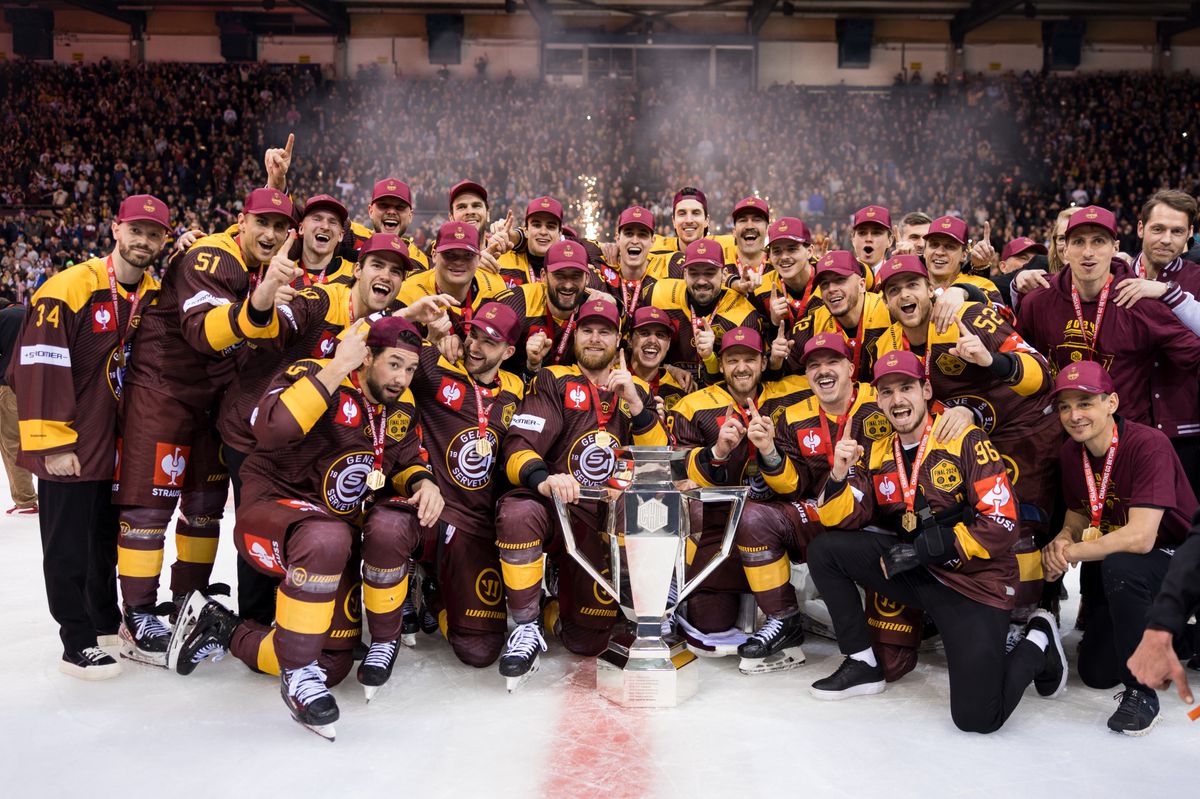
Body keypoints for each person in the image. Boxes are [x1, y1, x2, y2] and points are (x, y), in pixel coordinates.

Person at [170, 317, 441, 739]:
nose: (401, 379)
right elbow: (271, 428)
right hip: (271, 513)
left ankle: (223, 627)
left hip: (331, 535)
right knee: (326, 537)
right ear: (366, 356)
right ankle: (296, 676)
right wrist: (337, 367)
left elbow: (405, 460)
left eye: (409, 369)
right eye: (393, 364)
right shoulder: (312, 372)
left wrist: (424, 483)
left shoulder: (399, 406)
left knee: (332, 663)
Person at [807, 350, 1067, 734]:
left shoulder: (965, 438)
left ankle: (1039, 640)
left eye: (906, 388)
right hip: (921, 574)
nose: (897, 400)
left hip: (974, 585)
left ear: (926, 390)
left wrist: (927, 549)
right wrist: (838, 475)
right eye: (887, 392)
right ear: (878, 400)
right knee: (826, 550)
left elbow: (1002, 522)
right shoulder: (879, 450)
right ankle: (862, 660)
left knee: (977, 718)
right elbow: (841, 519)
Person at [114, 187, 297, 666]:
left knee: (204, 509)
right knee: (150, 508)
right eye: (262, 223)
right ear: (241, 221)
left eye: (280, 227)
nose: (271, 234)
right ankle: (137, 614)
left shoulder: (255, 263)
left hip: (213, 400)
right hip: (165, 390)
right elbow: (203, 331)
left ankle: (187, 601)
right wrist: (259, 303)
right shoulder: (211, 255)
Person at [217, 232, 419, 625]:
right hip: (258, 428)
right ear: (356, 270)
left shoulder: (389, 322)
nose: (387, 276)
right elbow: (263, 324)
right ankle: (253, 626)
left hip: (314, 443)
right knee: (266, 536)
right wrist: (266, 294)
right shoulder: (319, 299)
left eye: (396, 271)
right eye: (377, 265)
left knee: (319, 534)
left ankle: (305, 621)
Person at [10, 194, 168, 678]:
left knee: (104, 539)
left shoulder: (154, 293)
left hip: (118, 441)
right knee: (68, 545)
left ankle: (103, 621)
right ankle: (75, 640)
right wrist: (54, 443)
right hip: (73, 442)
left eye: (154, 234)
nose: (143, 241)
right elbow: (38, 364)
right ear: (116, 229)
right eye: (135, 230)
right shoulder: (70, 287)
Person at [875, 254, 1057, 624]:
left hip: (1019, 431)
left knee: (1016, 522)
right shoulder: (888, 344)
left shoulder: (968, 316)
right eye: (894, 290)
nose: (904, 295)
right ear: (886, 302)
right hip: (964, 435)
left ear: (931, 288)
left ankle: (1025, 620)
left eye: (912, 285)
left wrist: (992, 362)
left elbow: (1041, 371)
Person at [494, 299, 667, 690]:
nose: (594, 338)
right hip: (557, 508)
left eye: (604, 331)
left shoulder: (637, 389)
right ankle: (525, 625)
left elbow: (658, 463)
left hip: (601, 519)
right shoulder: (553, 379)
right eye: (587, 330)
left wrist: (636, 405)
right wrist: (545, 479)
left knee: (585, 641)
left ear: (618, 340)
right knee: (518, 512)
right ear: (574, 336)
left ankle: (552, 605)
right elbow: (518, 445)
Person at [1044, 361, 1198, 735]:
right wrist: (1064, 537)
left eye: (1085, 403)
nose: (1074, 415)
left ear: (1111, 402)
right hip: (1142, 565)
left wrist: (1070, 554)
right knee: (1096, 672)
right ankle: (1185, 639)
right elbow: (1080, 510)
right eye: (1065, 406)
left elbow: (1141, 538)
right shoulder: (1072, 452)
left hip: (1185, 556)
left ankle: (1142, 693)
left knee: (1121, 564)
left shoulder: (1148, 444)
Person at [667, 326, 809, 651]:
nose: (741, 367)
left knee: (757, 519)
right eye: (732, 360)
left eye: (749, 359)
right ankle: (678, 587)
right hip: (722, 529)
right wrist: (717, 453)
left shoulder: (793, 394)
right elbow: (678, 473)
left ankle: (782, 614)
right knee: (711, 621)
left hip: (777, 517)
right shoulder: (692, 405)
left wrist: (770, 451)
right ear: (720, 364)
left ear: (763, 363)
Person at [404, 301, 525, 667]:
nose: (474, 346)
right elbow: (377, 347)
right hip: (433, 511)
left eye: (489, 341)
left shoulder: (517, 388)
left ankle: (435, 596)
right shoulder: (436, 365)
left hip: (478, 523)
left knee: (480, 649)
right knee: (391, 524)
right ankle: (406, 581)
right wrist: (426, 332)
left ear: (508, 352)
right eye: (473, 334)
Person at [1016, 205, 1200, 432]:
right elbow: (1019, 362)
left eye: (1098, 241)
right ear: (1065, 249)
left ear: (1115, 248)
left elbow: (1194, 354)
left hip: (1124, 438)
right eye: (1078, 242)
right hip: (1059, 434)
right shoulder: (1037, 302)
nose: (1088, 252)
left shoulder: (1141, 303)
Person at [645, 238, 762, 387]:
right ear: (684, 274)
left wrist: (710, 358)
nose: (701, 281)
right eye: (694, 273)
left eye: (709, 273)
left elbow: (743, 381)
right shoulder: (658, 294)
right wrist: (666, 368)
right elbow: (635, 348)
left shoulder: (744, 315)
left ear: (724, 274)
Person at [785, 250, 890, 383]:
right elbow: (784, 367)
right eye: (825, 284)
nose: (831, 289)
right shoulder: (815, 322)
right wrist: (775, 362)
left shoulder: (888, 310)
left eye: (840, 280)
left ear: (861, 285)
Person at [0, 294, 36, 515]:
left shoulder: (3, 318)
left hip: (9, 387)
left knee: (12, 442)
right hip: (40, 387)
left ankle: (26, 500)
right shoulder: (34, 313)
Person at [349, 177, 430, 269]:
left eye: (400, 207)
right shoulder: (350, 235)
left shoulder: (422, 264)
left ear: (410, 216)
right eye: (383, 205)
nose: (391, 212)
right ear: (371, 211)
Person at [625, 306, 689, 418]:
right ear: (630, 340)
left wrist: (662, 425)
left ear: (668, 343)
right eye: (644, 333)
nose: (653, 341)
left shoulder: (681, 391)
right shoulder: (609, 379)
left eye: (660, 335)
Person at [495, 196, 564, 288]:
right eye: (537, 225)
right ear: (526, 231)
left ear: (560, 233)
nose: (543, 232)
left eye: (550, 227)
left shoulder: (570, 270)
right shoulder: (499, 260)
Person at [850, 205, 893, 276]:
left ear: (890, 241)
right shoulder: (840, 277)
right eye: (862, 233)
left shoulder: (897, 277)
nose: (868, 239)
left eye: (876, 233)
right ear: (853, 239)